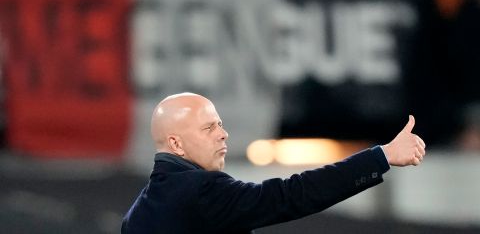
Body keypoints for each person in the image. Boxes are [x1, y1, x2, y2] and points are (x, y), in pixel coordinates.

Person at [121, 92, 426, 234]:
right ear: (176, 143)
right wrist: (382, 156)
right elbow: (292, 194)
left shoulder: (137, 215)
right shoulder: (201, 191)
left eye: (220, 124)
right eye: (209, 128)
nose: (223, 134)